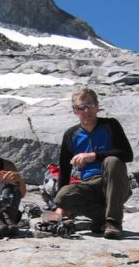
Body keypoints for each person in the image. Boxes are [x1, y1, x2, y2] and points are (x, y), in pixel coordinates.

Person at [54, 87, 133, 240]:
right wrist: (60, 207)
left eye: (90, 105)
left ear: (97, 107)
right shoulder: (71, 135)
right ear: (75, 110)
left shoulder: (110, 125)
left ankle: (113, 223)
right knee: (62, 197)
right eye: (81, 107)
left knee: (112, 161)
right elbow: (64, 169)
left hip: (115, 184)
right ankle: (102, 218)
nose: (86, 110)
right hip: (89, 186)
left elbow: (127, 154)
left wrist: (93, 156)